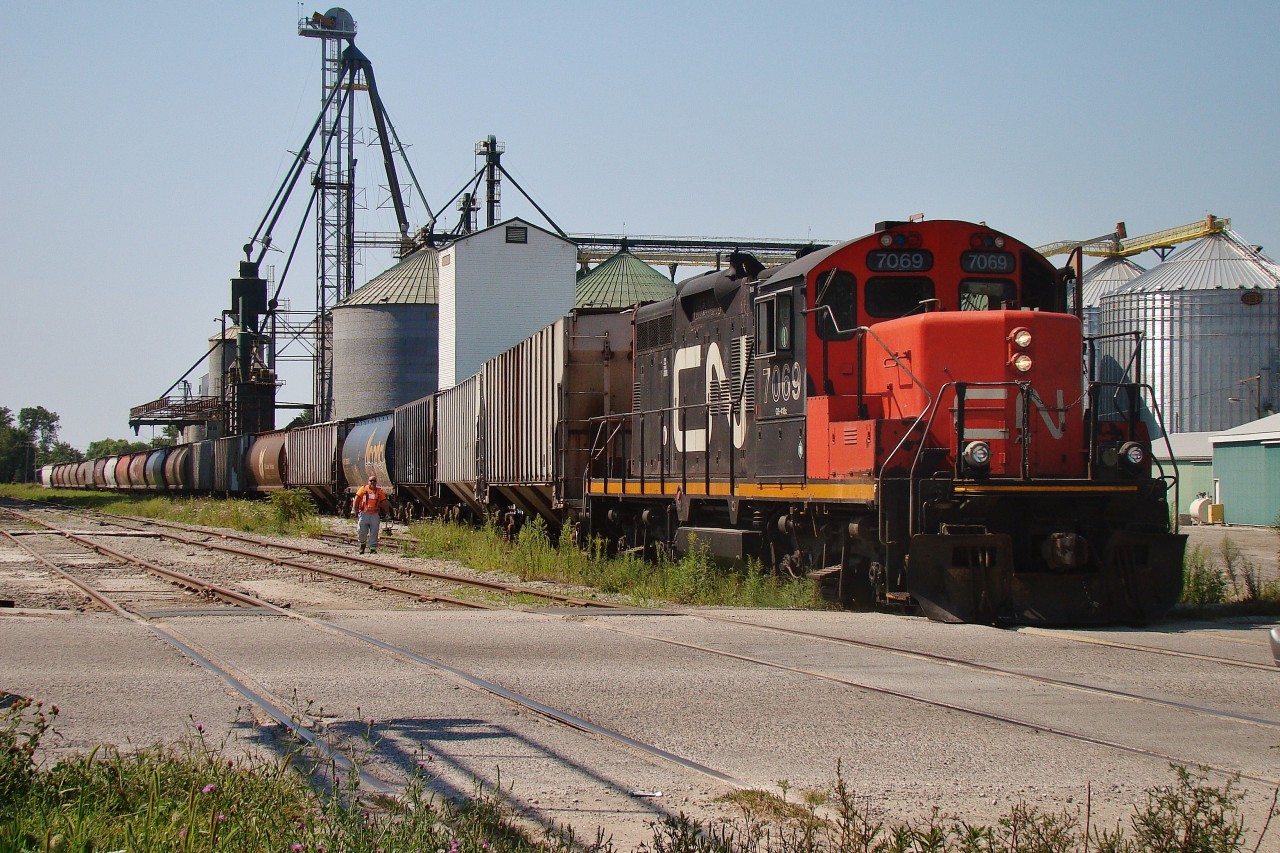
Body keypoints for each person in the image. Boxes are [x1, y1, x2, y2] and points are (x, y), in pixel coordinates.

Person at [353, 474, 388, 554]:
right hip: (364, 514)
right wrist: (354, 510)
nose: (372, 482)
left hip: (375, 515)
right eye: (371, 481)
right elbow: (357, 499)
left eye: (374, 481)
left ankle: (372, 548)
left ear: (376, 482)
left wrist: (387, 512)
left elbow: (384, 502)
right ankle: (362, 545)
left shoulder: (379, 491)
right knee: (361, 530)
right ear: (368, 482)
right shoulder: (363, 489)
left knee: (374, 532)